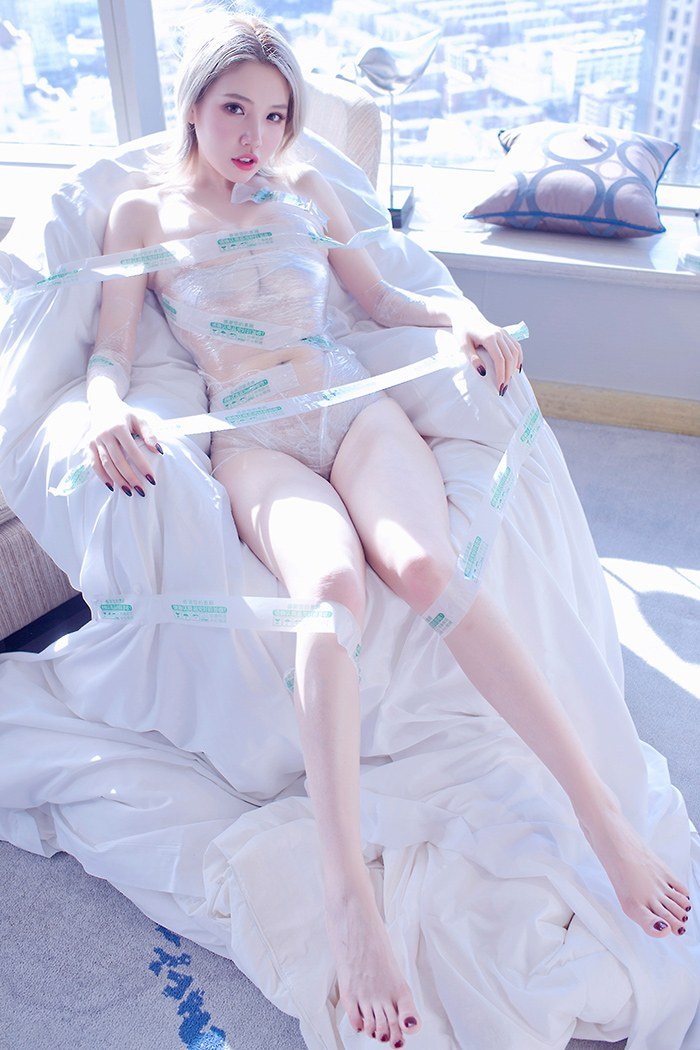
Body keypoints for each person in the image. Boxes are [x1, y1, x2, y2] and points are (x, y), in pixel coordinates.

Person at [84, 12, 691, 1047]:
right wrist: (106, 407)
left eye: (276, 116)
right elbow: (110, 348)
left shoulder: (307, 191)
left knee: (422, 566)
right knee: (330, 594)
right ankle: (347, 901)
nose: (255, 136)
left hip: (352, 411)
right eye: (235, 109)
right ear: (193, 106)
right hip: (254, 438)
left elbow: (380, 298)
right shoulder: (141, 212)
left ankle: (599, 814)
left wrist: (460, 317)